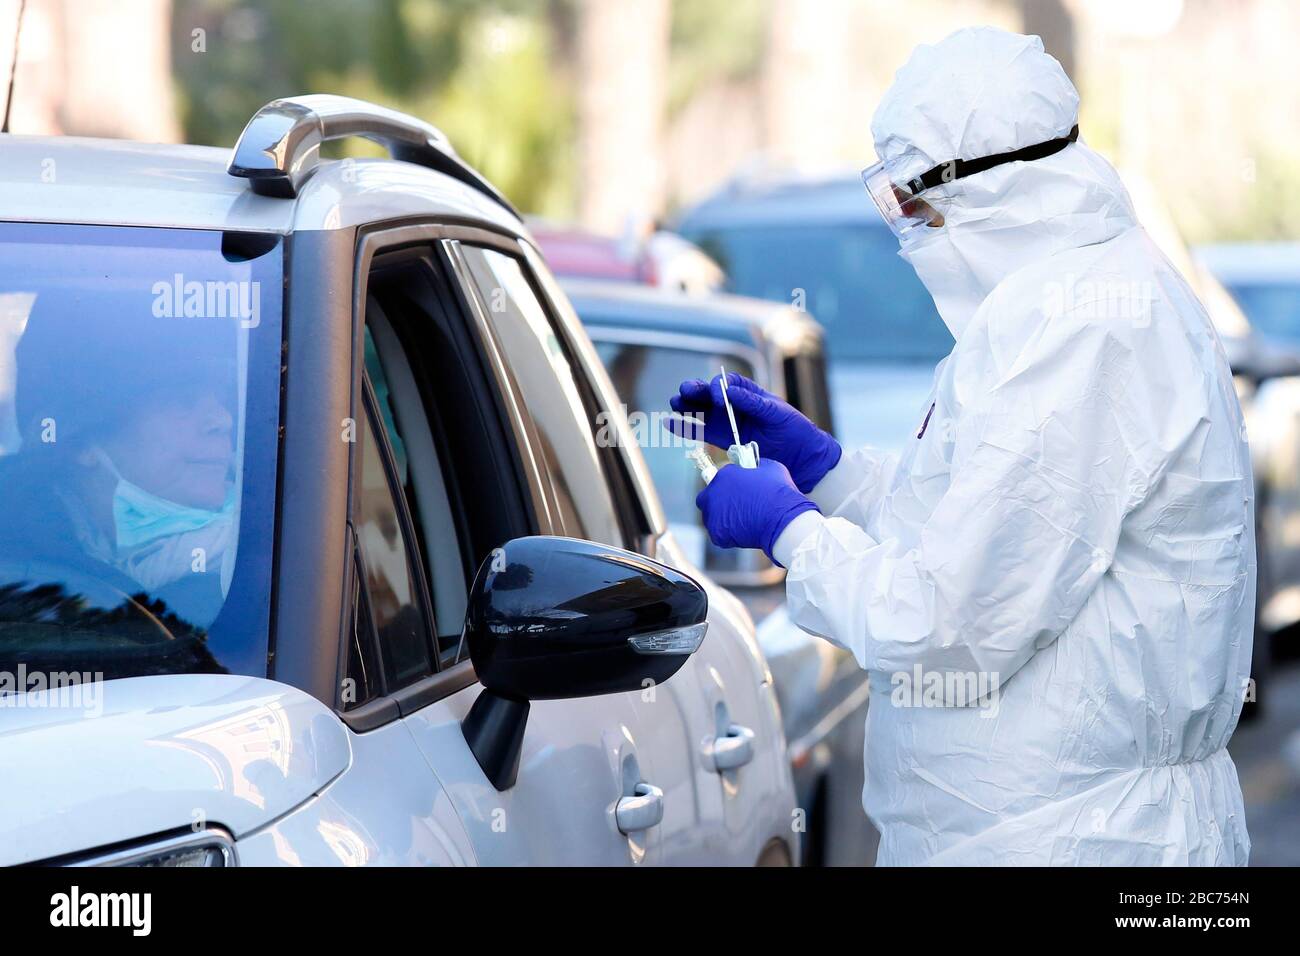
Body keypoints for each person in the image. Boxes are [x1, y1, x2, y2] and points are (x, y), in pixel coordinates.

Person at [671, 26, 1254, 865]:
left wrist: (791, 532)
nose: (911, 230)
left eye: (916, 203)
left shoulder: (1082, 327)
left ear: (989, 188)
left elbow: (950, 622)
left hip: (1079, 843)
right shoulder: (1059, 302)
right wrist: (827, 473)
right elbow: (969, 522)